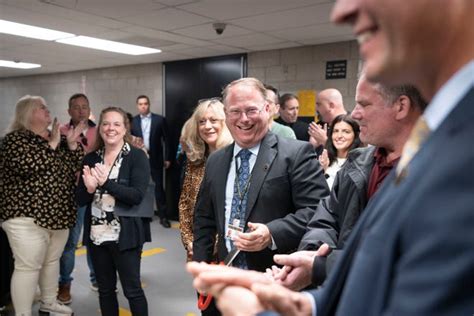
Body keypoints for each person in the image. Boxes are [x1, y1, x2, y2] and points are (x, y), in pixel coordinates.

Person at [188, 0, 474, 314]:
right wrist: (309, 300)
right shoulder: (427, 140)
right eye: (235, 112)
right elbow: (369, 255)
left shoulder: (456, 150)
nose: (342, 12)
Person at [272, 78, 425, 290]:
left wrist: (322, 266)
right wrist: (314, 252)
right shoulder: (358, 162)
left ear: (401, 106)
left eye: (364, 104)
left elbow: (407, 258)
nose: (355, 114)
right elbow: (327, 217)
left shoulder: (434, 174)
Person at [192, 77, 329, 272]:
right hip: (227, 274)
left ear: (267, 109)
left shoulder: (296, 154)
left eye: (251, 110)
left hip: (276, 277)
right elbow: (204, 218)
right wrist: (201, 266)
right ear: (226, 114)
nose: (244, 118)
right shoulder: (216, 160)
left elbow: (317, 211)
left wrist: (271, 232)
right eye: (235, 111)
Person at [0, 95, 84, 316]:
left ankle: (48, 303)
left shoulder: (55, 138)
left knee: (51, 261)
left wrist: (73, 144)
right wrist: (54, 144)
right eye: (42, 108)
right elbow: (30, 165)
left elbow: (74, 165)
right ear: (27, 114)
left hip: (58, 215)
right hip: (25, 217)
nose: (48, 111)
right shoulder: (15, 140)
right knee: (28, 267)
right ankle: (23, 313)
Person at [76, 106, 151, 316]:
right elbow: (80, 199)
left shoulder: (136, 157)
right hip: (97, 237)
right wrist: (90, 189)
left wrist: (105, 183)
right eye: (106, 123)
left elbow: (136, 196)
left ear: (124, 128)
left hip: (126, 237)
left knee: (132, 290)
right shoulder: (91, 158)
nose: (111, 128)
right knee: (106, 290)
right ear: (100, 128)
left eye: (117, 124)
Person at [179, 98, 233, 262]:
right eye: (202, 121)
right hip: (199, 250)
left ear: (225, 123)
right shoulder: (194, 161)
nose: (207, 126)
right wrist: (189, 241)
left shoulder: (235, 159)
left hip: (229, 250)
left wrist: (212, 244)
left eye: (213, 120)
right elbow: (185, 204)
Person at [57, 93, 97, 303]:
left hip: (98, 192)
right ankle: (64, 283)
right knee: (71, 241)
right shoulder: (61, 132)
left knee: (95, 238)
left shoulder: (98, 130)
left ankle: (96, 277)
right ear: (69, 110)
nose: (81, 111)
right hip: (74, 192)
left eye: (85, 107)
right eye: (76, 107)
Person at [131, 95, 172, 228]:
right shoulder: (133, 121)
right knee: (142, 188)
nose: (143, 106)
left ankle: (163, 216)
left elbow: (168, 140)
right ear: (137, 106)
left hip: (156, 159)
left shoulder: (159, 120)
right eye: (140, 104)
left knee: (158, 188)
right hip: (139, 159)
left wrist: (167, 158)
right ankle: (145, 215)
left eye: (145, 104)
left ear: (149, 105)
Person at [317, 114, 361, 188]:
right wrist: (320, 171)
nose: (339, 136)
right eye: (336, 131)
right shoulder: (323, 160)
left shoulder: (360, 163)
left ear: (355, 135)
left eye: (346, 132)